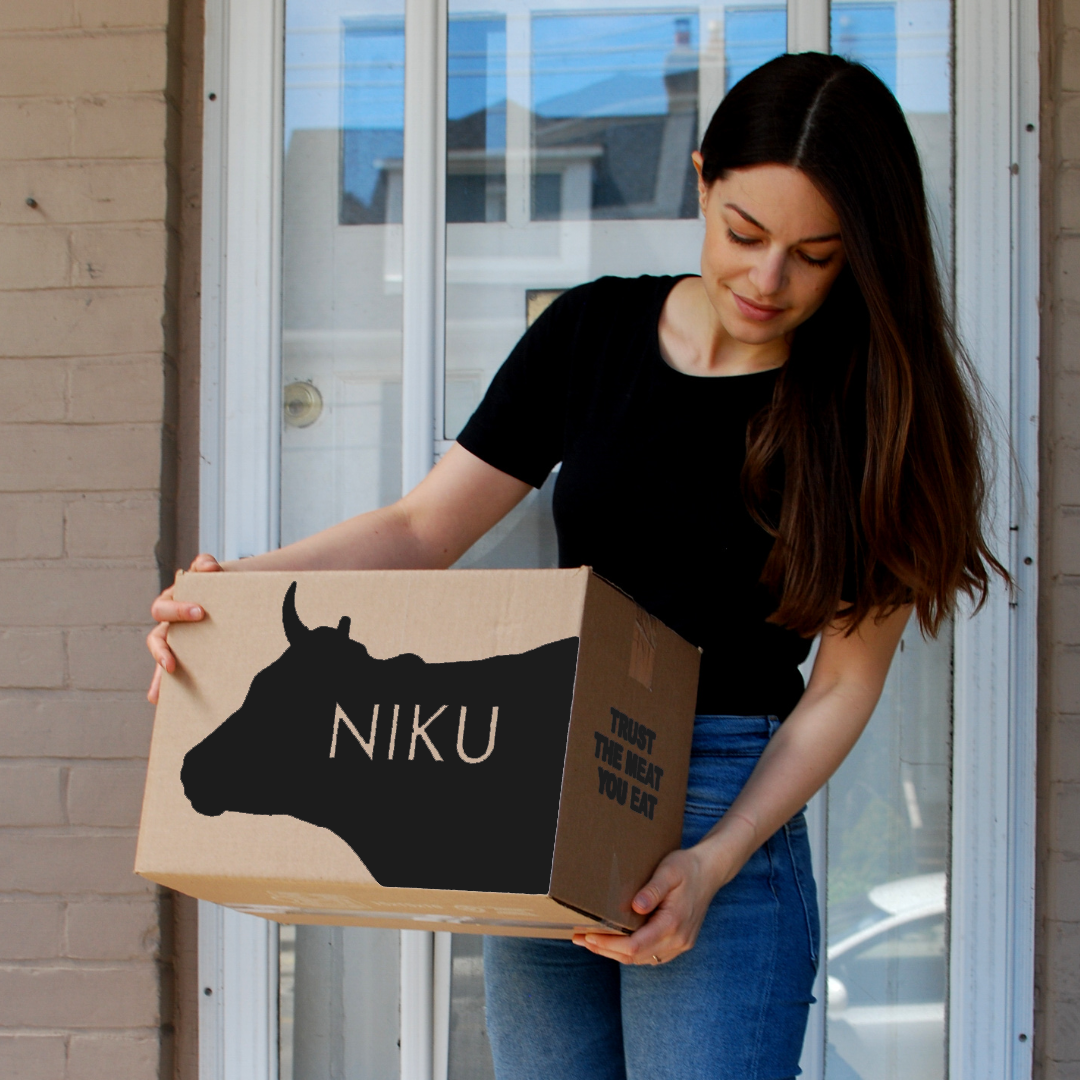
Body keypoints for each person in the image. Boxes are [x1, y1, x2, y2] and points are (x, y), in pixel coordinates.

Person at [147, 53, 1004, 1080]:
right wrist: (235, 594)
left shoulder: (873, 410)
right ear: (699, 178)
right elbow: (424, 529)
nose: (767, 280)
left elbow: (843, 688)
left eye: (815, 256)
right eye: (743, 233)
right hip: (547, 789)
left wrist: (713, 859)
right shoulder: (590, 334)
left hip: (729, 798)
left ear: (861, 254)